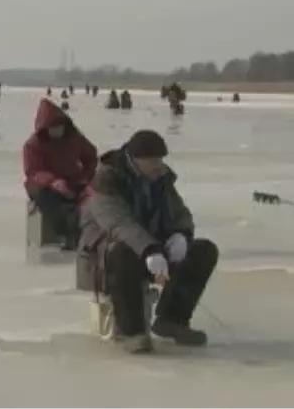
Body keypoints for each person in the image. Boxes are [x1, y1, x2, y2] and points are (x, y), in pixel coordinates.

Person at [80, 130, 217, 353]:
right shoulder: (105, 181)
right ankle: (132, 332)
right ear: (134, 160)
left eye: (160, 159)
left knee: (204, 251)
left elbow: (181, 213)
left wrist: (180, 235)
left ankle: (172, 319)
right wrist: (149, 249)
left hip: (152, 252)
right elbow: (118, 223)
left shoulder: (160, 180)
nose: (158, 165)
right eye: (152, 160)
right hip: (107, 256)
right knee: (123, 252)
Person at [22, 99, 98, 250]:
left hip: (73, 179)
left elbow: (91, 156)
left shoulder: (74, 137)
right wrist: (52, 181)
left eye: (59, 126)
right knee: (48, 199)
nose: (57, 130)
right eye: (53, 127)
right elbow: (32, 171)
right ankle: (68, 234)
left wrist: (86, 178)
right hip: (44, 186)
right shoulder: (33, 144)